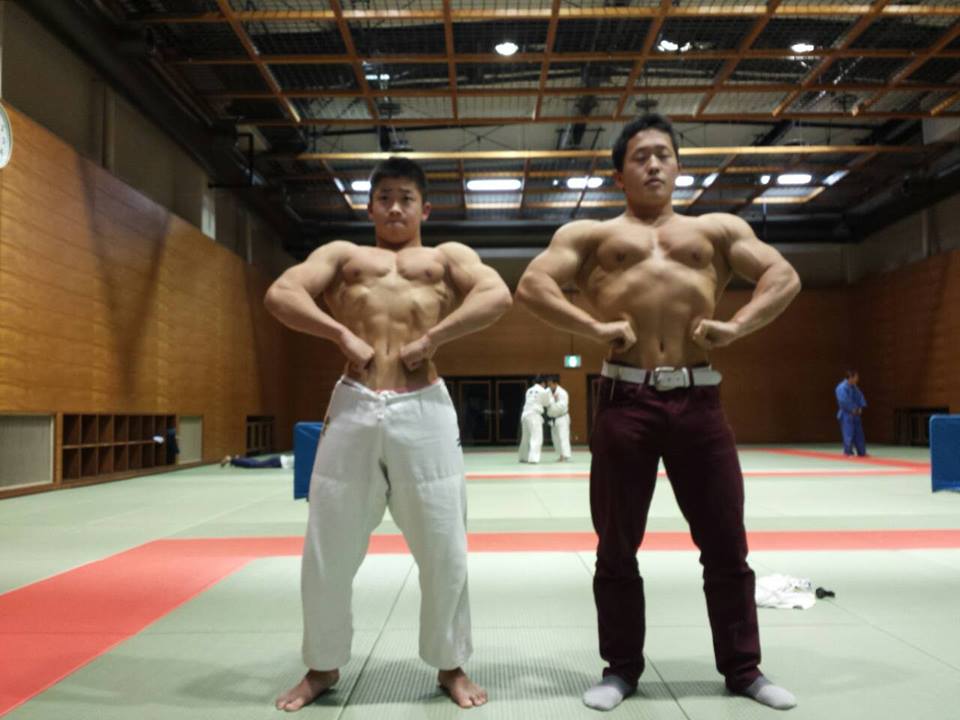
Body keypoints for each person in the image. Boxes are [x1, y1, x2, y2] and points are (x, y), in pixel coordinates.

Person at [515, 113, 801, 712]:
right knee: (616, 545)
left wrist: (737, 325)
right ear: (619, 175)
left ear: (678, 166)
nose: (653, 164)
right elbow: (532, 285)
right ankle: (620, 670)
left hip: (700, 400)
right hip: (626, 399)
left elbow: (784, 275)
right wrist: (594, 328)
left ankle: (743, 670)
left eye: (664, 154)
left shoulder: (716, 230)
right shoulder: (590, 235)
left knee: (726, 542)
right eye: (640, 156)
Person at [264, 157, 511, 711]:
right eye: (384, 198)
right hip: (354, 404)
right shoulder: (343, 256)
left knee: (444, 545)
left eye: (406, 198)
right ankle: (322, 665)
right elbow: (281, 293)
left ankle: (451, 665)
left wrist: (433, 339)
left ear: (426, 208)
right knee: (328, 545)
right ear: (369, 207)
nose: (395, 208)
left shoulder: (446, 258)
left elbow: (496, 295)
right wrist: (339, 335)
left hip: (424, 408)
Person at [518, 376, 551, 463]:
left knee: (525, 438)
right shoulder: (543, 391)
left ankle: (523, 457)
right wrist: (549, 394)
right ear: (543, 383)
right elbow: (546, 403)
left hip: (525, 415)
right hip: (534, 415)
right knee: (536, 437)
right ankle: (533, 459)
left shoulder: (529, 390)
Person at [835, 370, 867, 456]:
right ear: (851, 378)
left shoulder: (855, 387)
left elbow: (860, 397)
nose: (857, 379)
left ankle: (862, 452)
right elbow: (843, 400)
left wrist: (860, 407)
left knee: (859, 434)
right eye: (856, 377)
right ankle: (848, 452)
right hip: (846, 414)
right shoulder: (841, 387)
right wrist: (852, 409)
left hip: (856, 414)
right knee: (848, 434)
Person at [546, 376, 572, 461]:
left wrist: (551, 404)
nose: (549, 386)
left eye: (550, 384)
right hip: (552, 418)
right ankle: (560, 455)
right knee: (555, 438)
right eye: (548, 384)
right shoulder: (547, 391)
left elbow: (562, 406)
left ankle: (565, 455)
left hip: (562, 417)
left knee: (563, 436)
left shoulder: (562, 392)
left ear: (555, 384)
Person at [220, 453, 293, 469]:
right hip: (278, 462)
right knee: (253, 465)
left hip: (279, 460)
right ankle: (230, 459)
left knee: (257, 463)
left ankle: (239, 458)